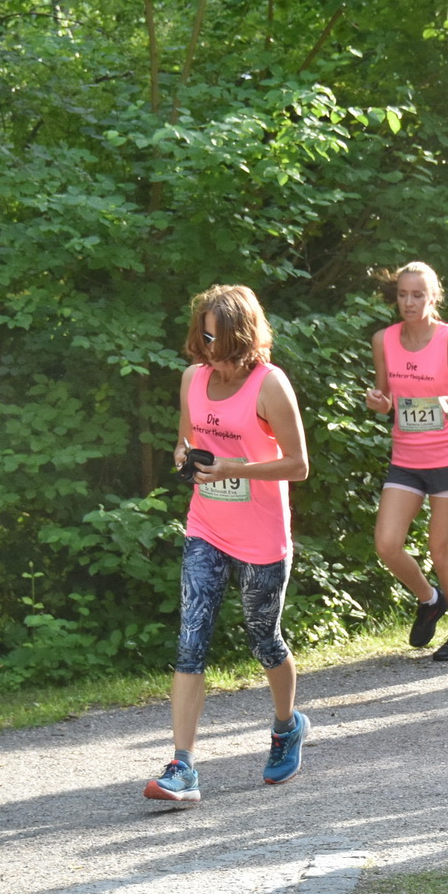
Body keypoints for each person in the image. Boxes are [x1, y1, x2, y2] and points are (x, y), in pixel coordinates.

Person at [147, 285, 312, 803]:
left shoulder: (270, 384)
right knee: (190, 641)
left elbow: (299, 465)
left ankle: (287, 726)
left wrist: (237, 467)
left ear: (238, 334)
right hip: (207, 527)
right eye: (200, 331)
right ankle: (183, 766)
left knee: (265, 638)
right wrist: (184, 458)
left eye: (212, 334)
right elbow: (183, 440)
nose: (202, 343)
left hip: (262, 535)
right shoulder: (192, 379)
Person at [364, 262, 448, 661]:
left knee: (440, 549)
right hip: (407, 458)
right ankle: (430, 599)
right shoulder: (384, 340)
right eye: (402, 294)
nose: (409, 302)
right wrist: (379, 403)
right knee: (387, 543)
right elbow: (385, 399)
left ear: (433, 297)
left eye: (417, 295)